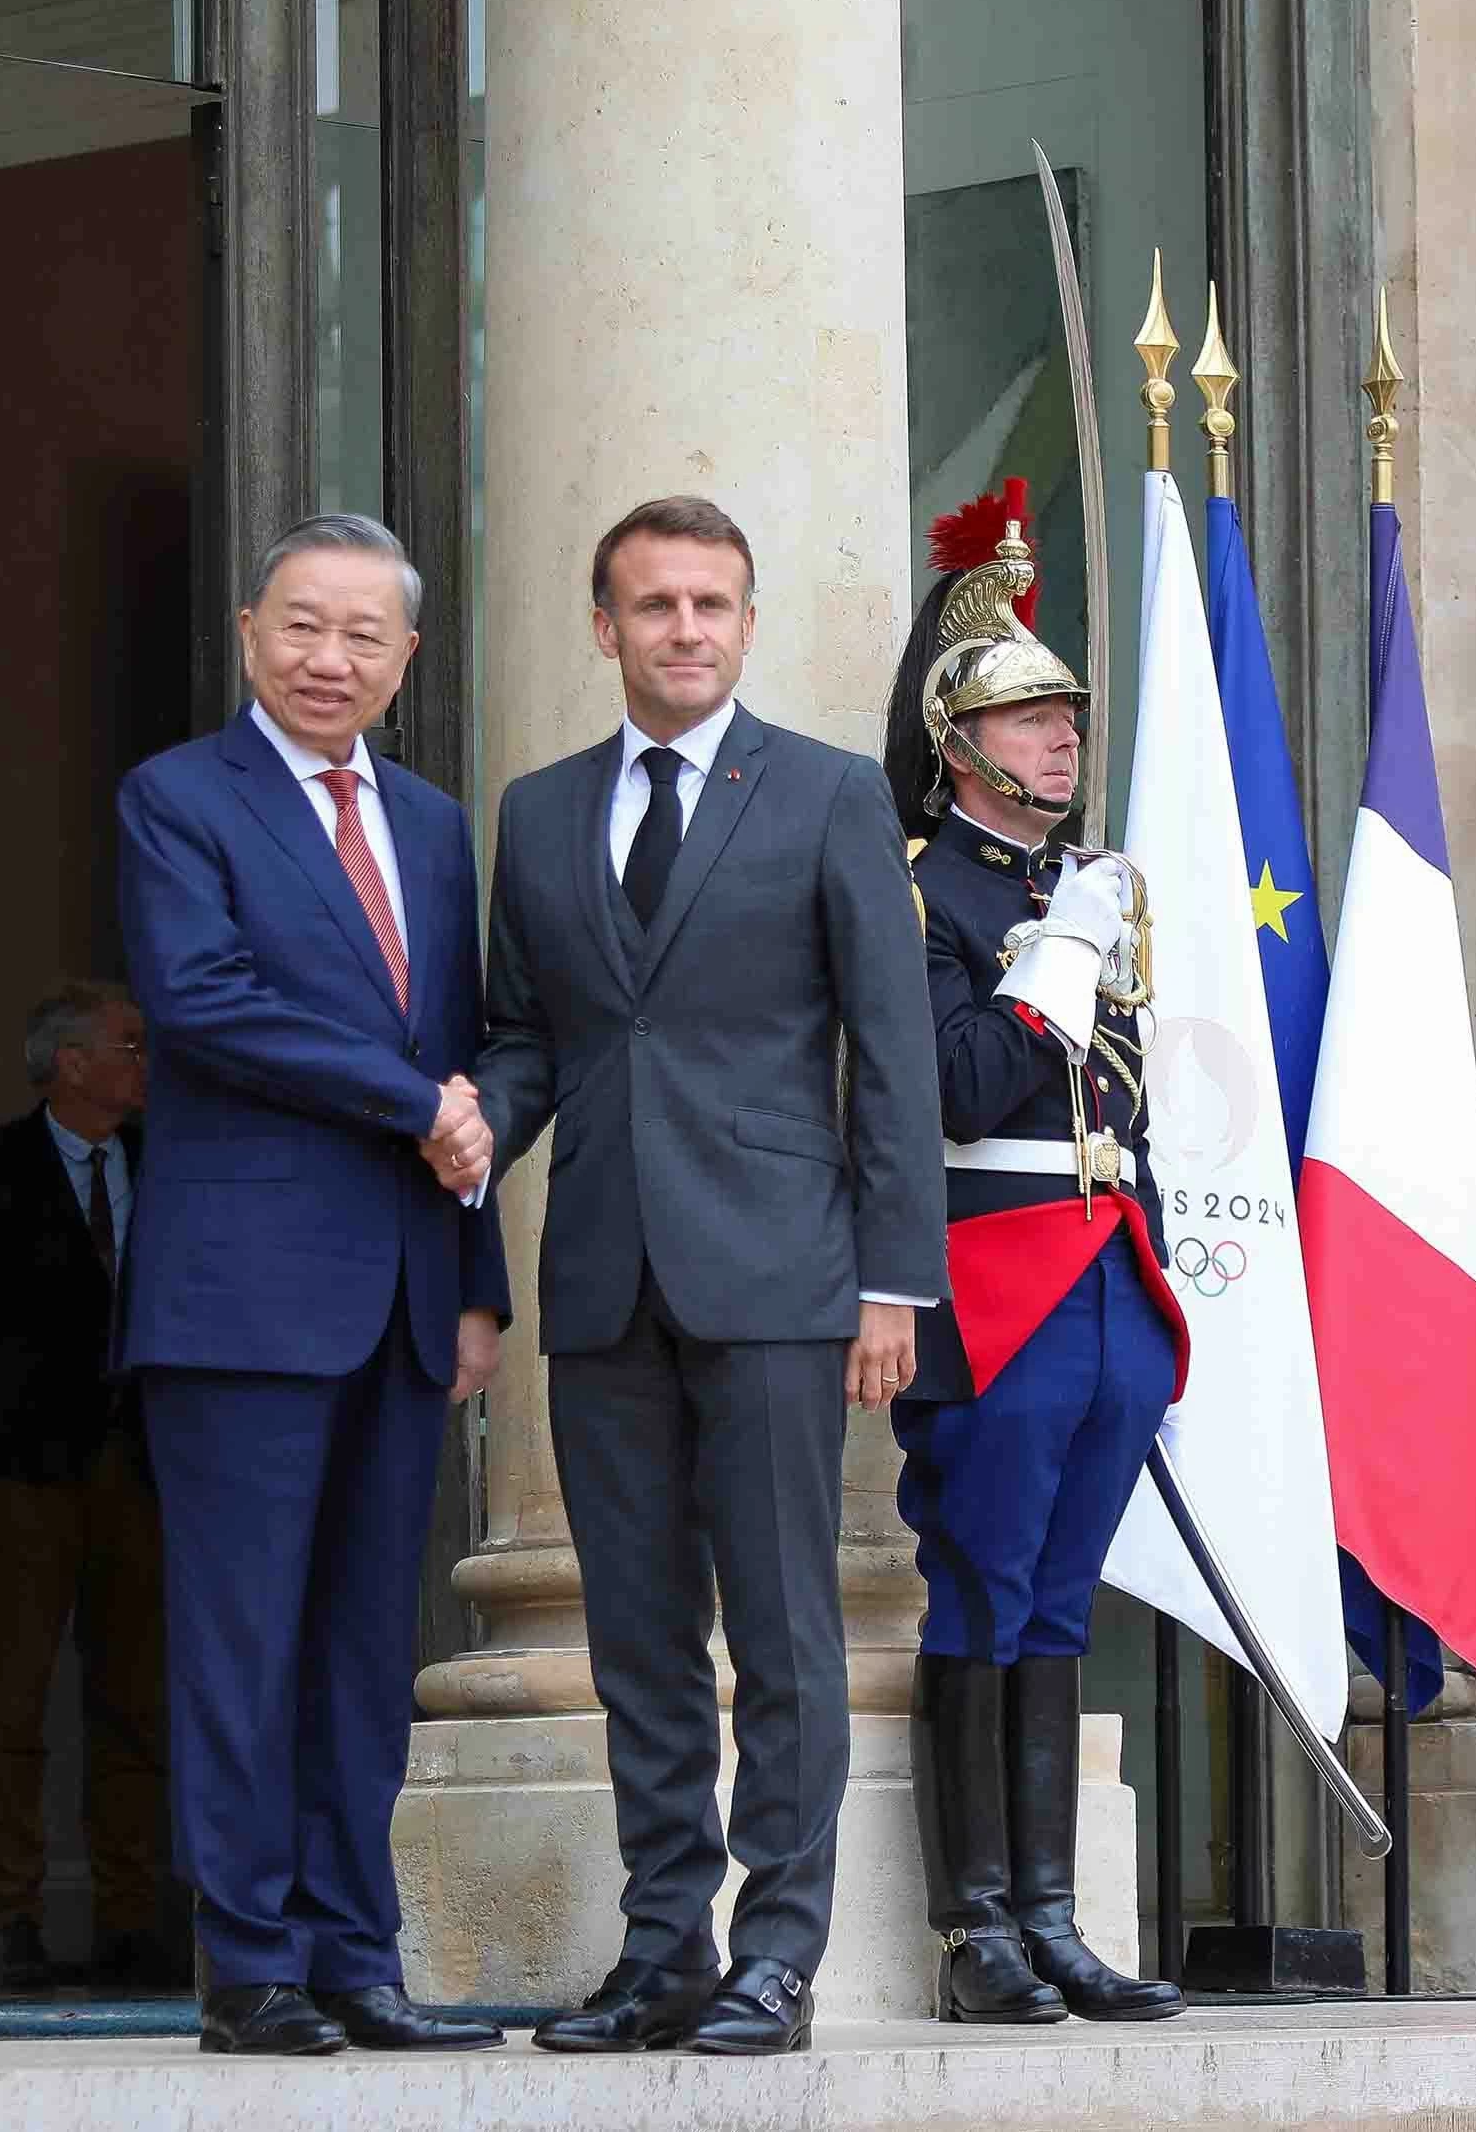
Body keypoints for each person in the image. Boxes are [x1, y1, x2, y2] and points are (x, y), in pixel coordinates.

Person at [473, 495, 944, 2058]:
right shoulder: (537, 813)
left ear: (747, 623)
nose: (686, 628)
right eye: (655, 603)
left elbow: (888, 1052)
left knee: (789, 1630)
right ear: (601, 625)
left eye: (713, 603)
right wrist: (479, 1125)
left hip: (779, 1273)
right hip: (604, 1273)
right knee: (636, 1633)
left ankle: (777, 1954)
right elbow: (526, 1030)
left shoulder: (821, 796)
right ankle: (663, 1945)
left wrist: (894, 1280)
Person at [113, 513, 508, 2061]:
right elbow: (201, 1000)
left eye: (361, 634)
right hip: (240, 1292)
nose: (327, 656)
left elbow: (460, 1060)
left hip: (408, 1293)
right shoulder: (178, 798)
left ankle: (360, 1952)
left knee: (362, 1643)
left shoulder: (429, 823)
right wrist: (409, 1104)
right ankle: (251, 1959)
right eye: (301, 624)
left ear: (404, 658)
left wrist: (474, 1274)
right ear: (246, 630)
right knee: (241, 1638)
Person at [879, 488, 1187, 2026]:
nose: (1061, 738)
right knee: (982, 1587)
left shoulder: (1077, 888)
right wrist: (1057, 953)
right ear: (958, 743)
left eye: (1067, 715)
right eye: (1026, 716)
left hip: (1108, 1268)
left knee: (1062, 1597)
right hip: (993, 1272)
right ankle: (974, 1923)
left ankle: (1055, 1910)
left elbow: (1127, 1106)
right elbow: (954, 1086)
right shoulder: (918, 888)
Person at [0, 979, 177, 1993]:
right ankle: (11, 1919)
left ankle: (130, 1919)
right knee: (13, 1706)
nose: (143, 1062)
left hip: (145, 1473)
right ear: (67, 1062)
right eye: (127, 1045)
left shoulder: (168, 1162)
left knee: (136, 1705)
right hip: (21, 1476)